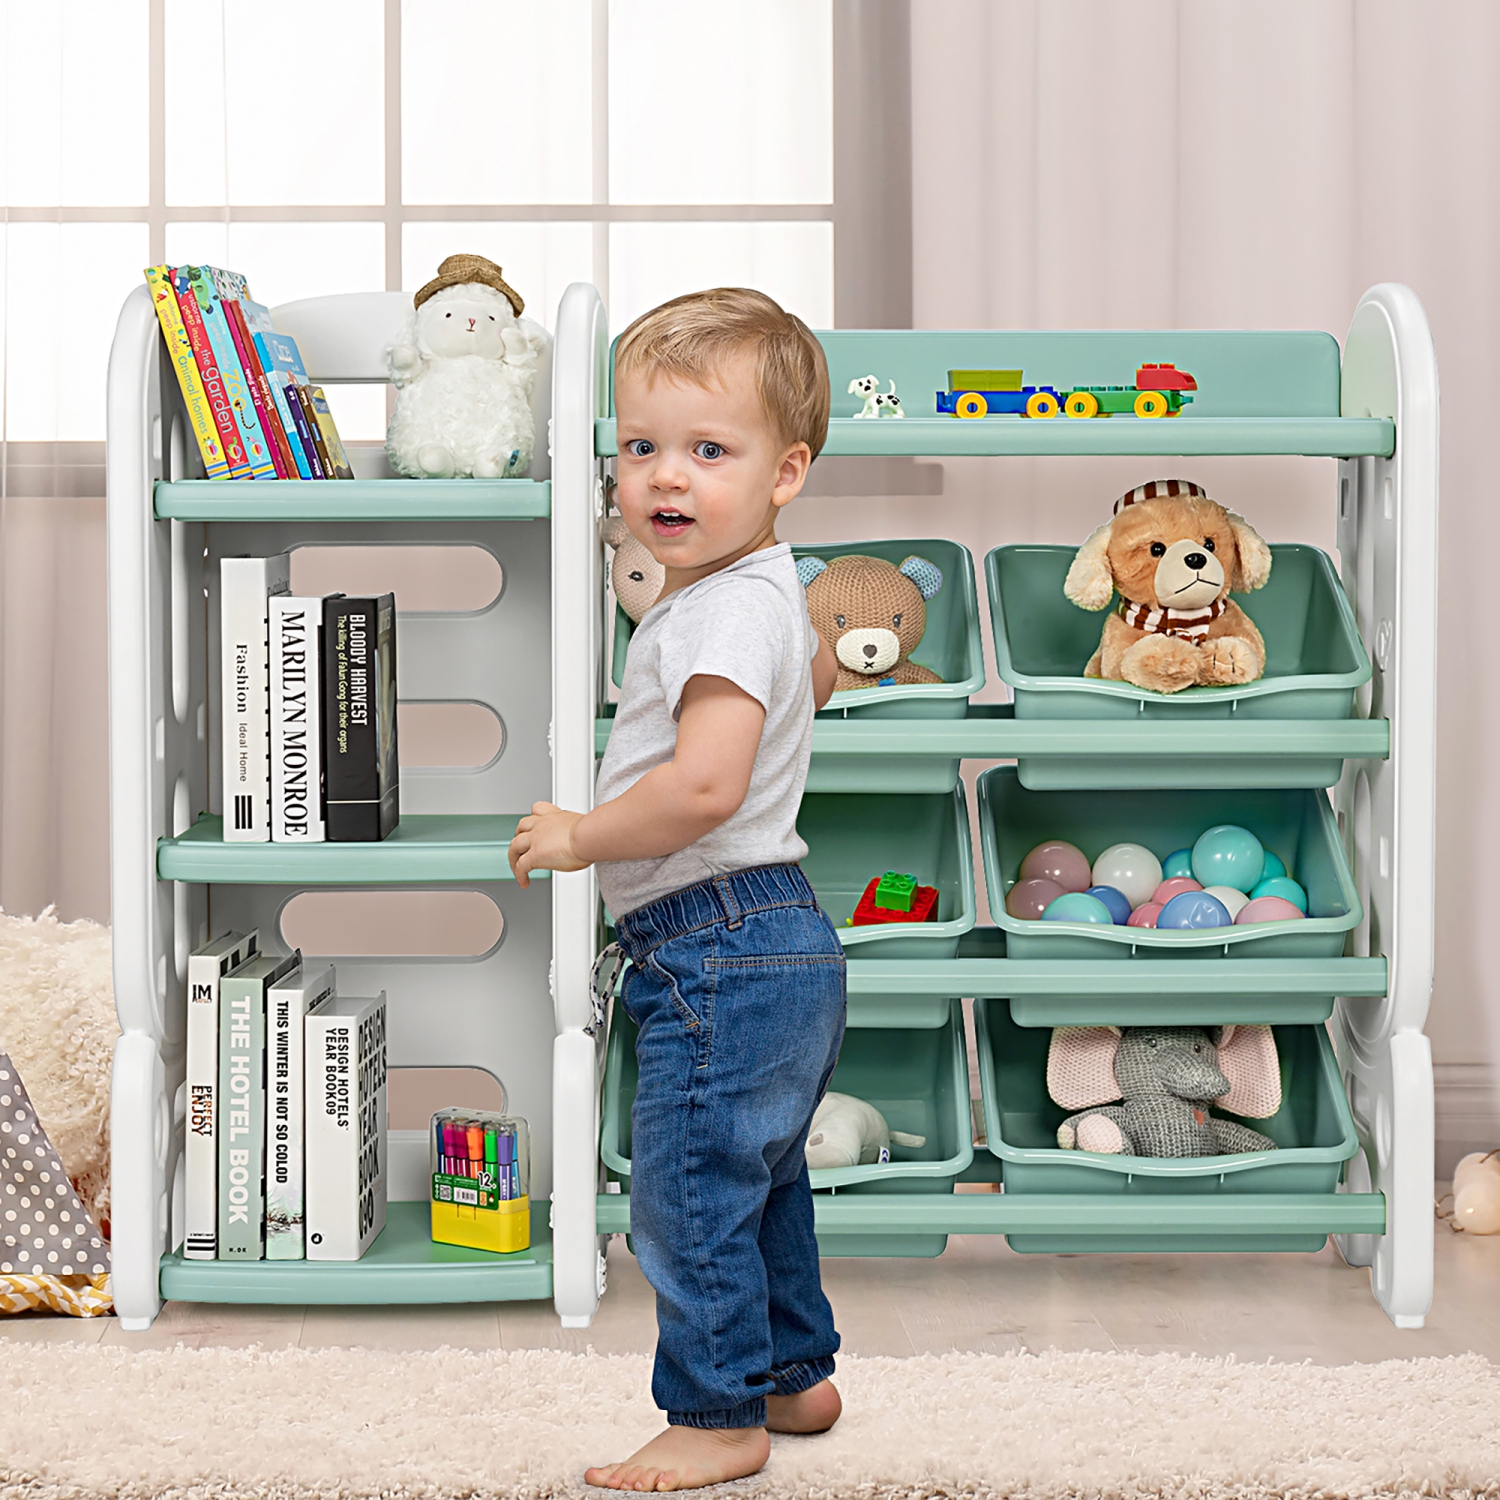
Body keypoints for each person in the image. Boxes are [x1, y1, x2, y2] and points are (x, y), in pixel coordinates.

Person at [508, 286, 843, 1491]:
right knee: (762, 1179)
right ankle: (794, 1377)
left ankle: (714, 1417)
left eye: (710, 451)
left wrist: (585, 834)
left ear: (785, 471)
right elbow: (802, 678)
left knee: (692, 1189)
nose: (666, 479)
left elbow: (704, 788)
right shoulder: (752, 596)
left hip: (720, 941)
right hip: (771, 941)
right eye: (641, 448)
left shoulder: (724, 615)